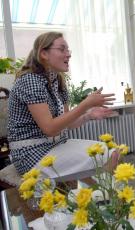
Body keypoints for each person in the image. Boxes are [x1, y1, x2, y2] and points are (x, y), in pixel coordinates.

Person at [7, 32, 116, 179]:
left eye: (68, 50)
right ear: (44, 53)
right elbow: (50, 129)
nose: (68, 54)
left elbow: (67, 123)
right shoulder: (30, 81)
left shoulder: (57, 81)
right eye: (62, 49)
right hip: (31, 152)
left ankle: (95, 197)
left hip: (56, 145)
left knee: (112, 152)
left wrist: (88, 115)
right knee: (109, 155)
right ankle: (100, 197)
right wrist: (85, 105)